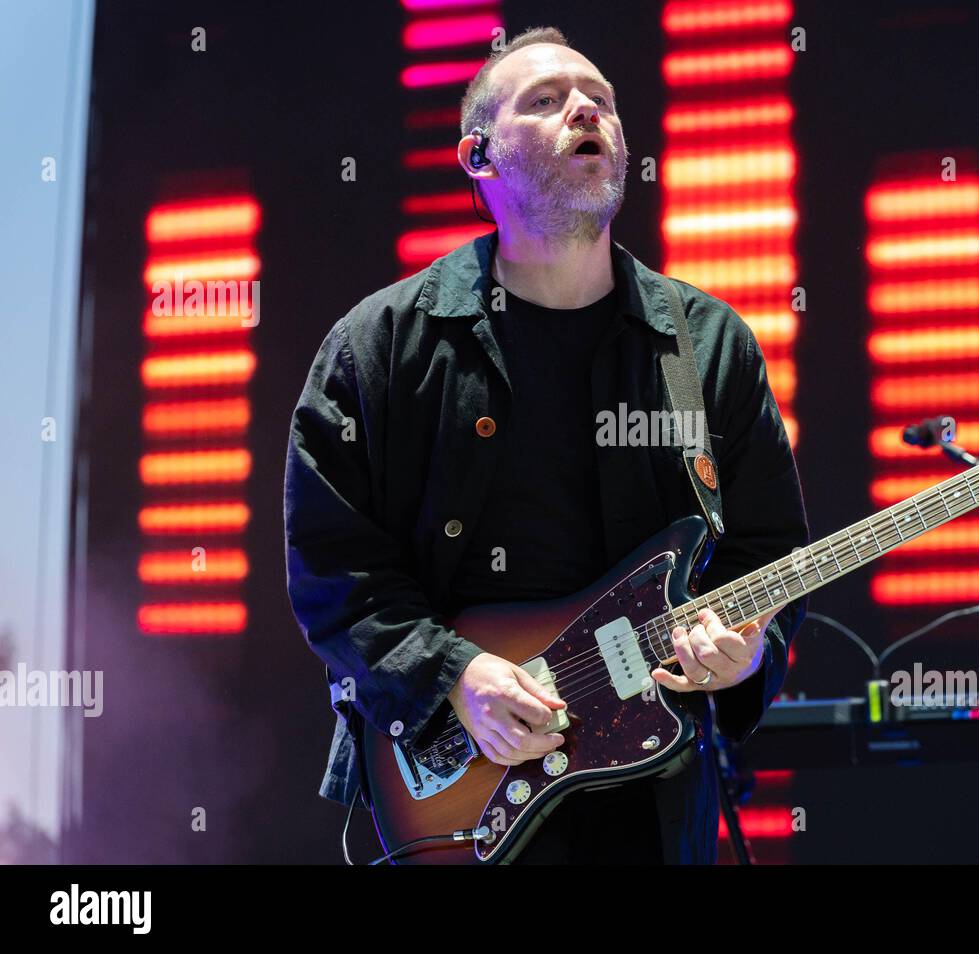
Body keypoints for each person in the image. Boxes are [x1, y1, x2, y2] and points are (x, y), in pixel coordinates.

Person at [283, 26, 808, 864]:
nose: (585, 109)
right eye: (547, 99)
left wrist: (744, 658)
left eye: (599, 98)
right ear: (478, 155)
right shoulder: (379, 345)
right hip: (459, 790)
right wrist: (456, 676)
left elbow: (768, 554)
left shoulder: (708, 346)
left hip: (655, 802)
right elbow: (332, 571)